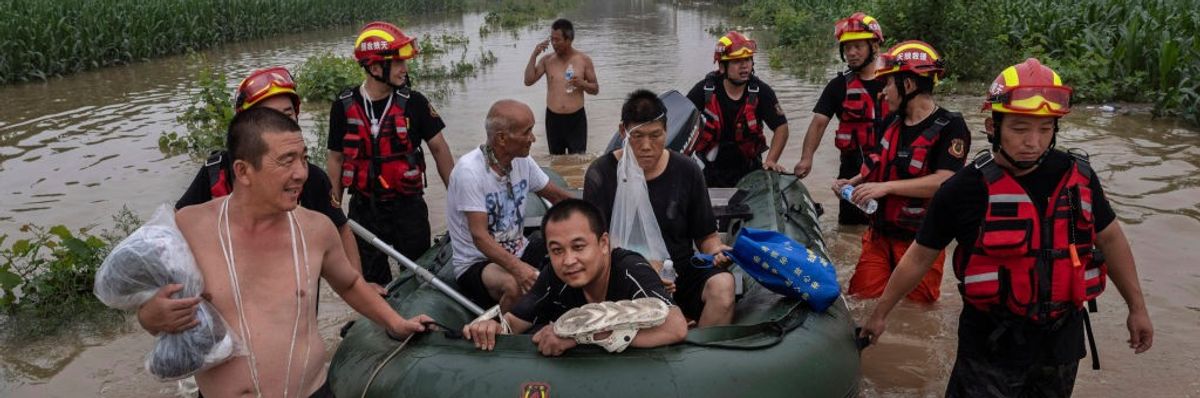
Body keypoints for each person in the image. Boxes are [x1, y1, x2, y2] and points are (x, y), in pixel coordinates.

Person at [860, 58, 1154, 397]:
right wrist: (880, 314)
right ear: (991, 126)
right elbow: (919, 257)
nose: (1033, 142)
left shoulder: (1079, 178)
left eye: (1045, 129)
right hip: (989, 346)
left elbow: (1112, 238)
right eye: (1019, 129)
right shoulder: (962, 189)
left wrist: (1138, 308)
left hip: (1060, 344)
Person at [144, 107, 435, 397]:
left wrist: (396, 323)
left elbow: (350, 283)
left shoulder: (316, 230)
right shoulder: (190, 226)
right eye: (286, 161)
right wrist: (150, 317)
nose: (301, 173)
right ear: (243, 171)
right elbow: (148, 304)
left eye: (304, 159)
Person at [173, 66, 374, 294]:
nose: (280, 123)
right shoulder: (215, 172)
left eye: (287, 115)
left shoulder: (311, 177)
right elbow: (174, 233)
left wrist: (360, 285)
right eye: (270, 116)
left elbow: (340, 229)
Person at [583, 90, 735, 327]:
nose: (646, 146)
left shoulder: (687, 171)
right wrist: (642, 269)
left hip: (678, 273)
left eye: (655, 135)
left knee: (724, 286)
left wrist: (718, 252)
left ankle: (700, 357)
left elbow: (706, 237)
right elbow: (593, 244)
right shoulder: (601, 174)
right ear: (623, 131)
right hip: (622, 276)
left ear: (666, 131)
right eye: (638, 136)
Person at [834, 40, 970, 303]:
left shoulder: (951, 126)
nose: (883, 92)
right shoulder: (890, 122)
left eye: (887, 84)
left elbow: (946, 181)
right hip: (879, 235)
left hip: (922, 243)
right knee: (861, 300)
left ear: (907, 85)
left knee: (917, 313)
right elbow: (879, 163)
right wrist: (851, 183)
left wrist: (887, 188)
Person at [461, 199, 687, 356]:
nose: (568, 261)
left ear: (603, 244)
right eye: (557, 250)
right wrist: (489, 328)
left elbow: (675, 327)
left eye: (578, 247)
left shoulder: (631, 269)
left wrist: (578, 336)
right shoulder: (554, 277)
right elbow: (513, 324)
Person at [325, 21, 455, 287]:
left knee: (419, 276)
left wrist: (457, 199)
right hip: (364, 210)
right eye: (397, 63)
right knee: (372, 282)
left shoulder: (415, 102)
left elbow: (440, 149)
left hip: (408, 207)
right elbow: (336, 159)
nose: (404, 69)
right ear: (375, 68)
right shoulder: (343, 105)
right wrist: (333, 214)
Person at [448, 99, 572, 312]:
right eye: (527, 132)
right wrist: (519, 269)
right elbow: (480, 237)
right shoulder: (469, 172)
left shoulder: (522, 160)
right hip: (478, 262)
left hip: (518, 248)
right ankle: (503, 332)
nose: (533, 138)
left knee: (568, 253)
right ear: (502, 138)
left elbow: (557, 197)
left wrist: (595, 224)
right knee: (514, 285)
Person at [793, 12, 887, 226]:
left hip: (889, 171)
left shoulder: (894, 83)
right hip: (851, 171)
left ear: (875, 46)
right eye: (847, 47)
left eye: (858, 46)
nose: (851, 53)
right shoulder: (838, 86)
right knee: (850, 232)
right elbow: (818, 124)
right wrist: (807, 158)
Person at [685, 30, 789, 188]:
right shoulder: (704, 91)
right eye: (736, 61)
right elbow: (682, 124)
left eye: (748, 59)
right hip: (709, 169)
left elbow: (781, 128)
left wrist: (771, 160)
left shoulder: (762, 92)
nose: (744, 65)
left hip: (749, 169)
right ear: (722, 67)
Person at [523, 18, 599, 155]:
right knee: (556, 160)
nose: (553, 43)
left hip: (576, 119)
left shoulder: (583, 60)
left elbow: (595, 89)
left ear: (569, 39)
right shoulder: (547, 60)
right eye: (552, 39)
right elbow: (528, 81)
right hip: (553, 119)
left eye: (557, 40)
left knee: (578, 160)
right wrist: (534, 54)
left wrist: (582, 84)